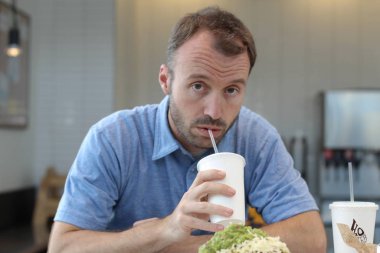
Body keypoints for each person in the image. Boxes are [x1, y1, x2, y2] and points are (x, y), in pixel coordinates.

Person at [48, 6, 327, 253]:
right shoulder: (113, 139)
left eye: (231, 90)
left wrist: (179, 247)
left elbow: (311, 238)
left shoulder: (255, 138)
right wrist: (166, 229)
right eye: (198, 86)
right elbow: (63, 246)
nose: (214, 112)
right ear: (165, 80)